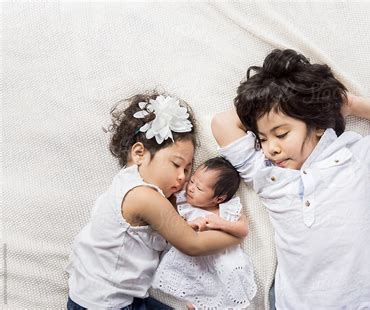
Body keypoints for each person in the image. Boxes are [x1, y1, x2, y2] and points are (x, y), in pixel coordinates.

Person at [211, 49, 370, 309]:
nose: (270, 147)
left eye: (282, 134)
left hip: (368, 303)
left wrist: (351, 105)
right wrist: (269, 97)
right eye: (262, 139)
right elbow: (221, 123)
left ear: (318, 125)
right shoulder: (265, 173)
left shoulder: (355, 155)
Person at [66, 92, 243, 310]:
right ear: (139, 153)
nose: (183, 177)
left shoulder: (130, 183)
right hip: (105, 304)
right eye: (176, 164)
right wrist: (234, 237)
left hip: (110, 297)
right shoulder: (143, 196)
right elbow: (193, 244)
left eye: (188, 169)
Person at [152, 157, 257, 310]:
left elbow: (243, 230)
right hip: (193, 262)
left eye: (199, 188)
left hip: (222, 262)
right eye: (192, 181)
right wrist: (190, 225)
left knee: (224, 291)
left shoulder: (227, 209)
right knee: (194, 290)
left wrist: (221, 223)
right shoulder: (183, 204)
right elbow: (174, 229)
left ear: (219, 198)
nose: (191, 188)